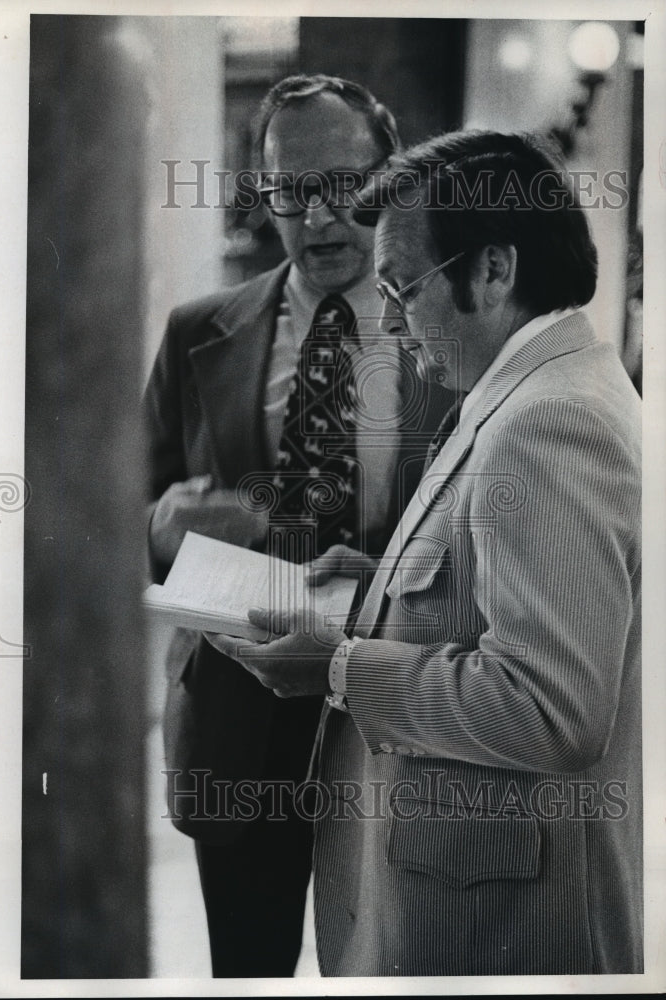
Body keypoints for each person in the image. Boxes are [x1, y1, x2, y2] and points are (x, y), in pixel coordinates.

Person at [209, 130, 643, 976]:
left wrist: (337, 665)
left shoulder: (549, 423)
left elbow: (552, 707)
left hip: (497, 915)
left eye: (405, 289)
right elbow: (520, 586)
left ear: (492, 268)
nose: (396, 326)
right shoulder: (538, 385)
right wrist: (389, 588)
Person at [143, 75, 452, 977]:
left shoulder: (452, 330)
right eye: (290, 191)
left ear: (390, 177)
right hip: (240, 726)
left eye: (345, 187)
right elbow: (126, 512)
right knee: (248, 970)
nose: (319, 218)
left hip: (400, 713)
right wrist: (164, 526)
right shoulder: (199, 331)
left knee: (398, 968)